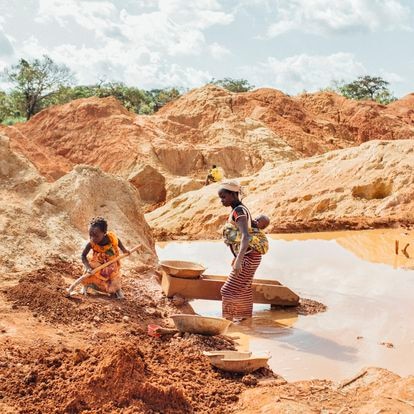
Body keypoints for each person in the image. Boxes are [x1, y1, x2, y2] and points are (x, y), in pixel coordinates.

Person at [218, 180, 263, 322]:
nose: (221, 201)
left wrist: (239, 260)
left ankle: (227, 323)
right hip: (250, 256)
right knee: (244, 289)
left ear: (232, 194)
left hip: (248, 257)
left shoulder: (239, 212)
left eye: (224, 197)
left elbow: (245, 236)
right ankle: (245, 321)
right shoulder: (240, 210)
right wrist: (238, 256)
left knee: (227, 290)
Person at [81, 217, 130, 299]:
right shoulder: (91, 243)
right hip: (98, 261)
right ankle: (86, 286)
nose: (92, 238)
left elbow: (118, 241)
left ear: (104, 233)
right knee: (90, 270)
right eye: (90, 235)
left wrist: (124, 250)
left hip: (111, 262)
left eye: (96, 236)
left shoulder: (111, 238)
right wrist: (88, 267)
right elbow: (83, 256)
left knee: (114, 275)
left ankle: (117, 290)